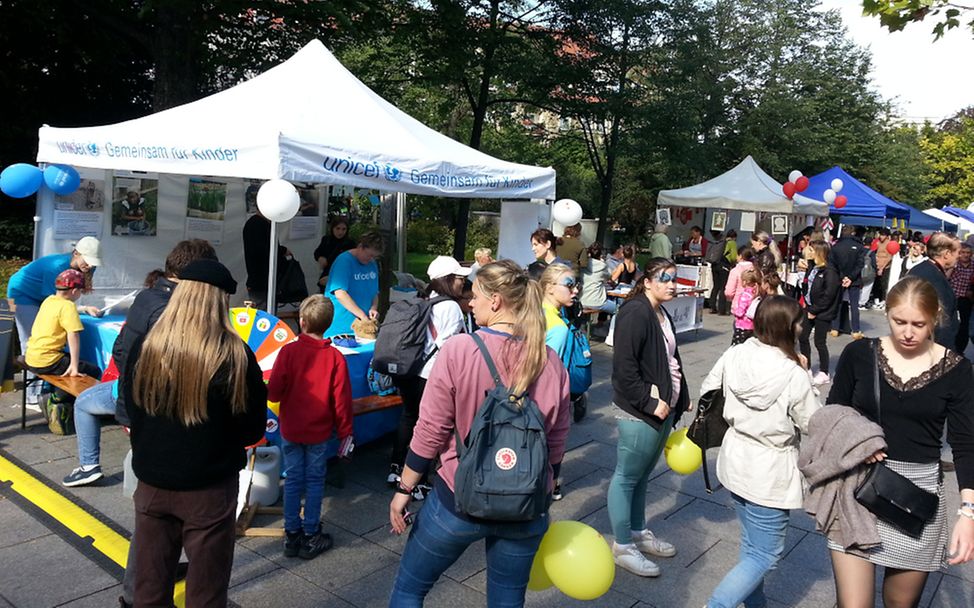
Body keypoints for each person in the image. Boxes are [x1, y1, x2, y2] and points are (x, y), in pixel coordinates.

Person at [387, 260, 571, 606]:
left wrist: (404, 488)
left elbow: (431, 430)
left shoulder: (459, 350)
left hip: (458, 499)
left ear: (497, 301)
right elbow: (557, 438)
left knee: (410, 589)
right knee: (507, 600)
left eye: (477, 295)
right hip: (527, 503)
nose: (471, 302)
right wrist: (552, 480)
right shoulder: (549, 360)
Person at [825, 276, 974, 607]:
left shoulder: (959, 371)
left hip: (915, 498)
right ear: (887, 314)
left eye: (918, 324)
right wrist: (859, 441)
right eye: (898, 321)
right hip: (857, 490)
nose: (908, 332)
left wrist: (969, 513)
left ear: (935, 318)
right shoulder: (859, 353)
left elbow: (966, 444)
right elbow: (833, 414)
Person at [126, 259, 266, 607]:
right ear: (220, 302)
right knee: (206, 592)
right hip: (209, 490)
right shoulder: (235, 355)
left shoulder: (146, 345)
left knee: (148, 587)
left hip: (152, 484)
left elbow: (131, 407)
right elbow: (252, 428)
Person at [110, 239, 219, 605]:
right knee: (154, 518)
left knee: (152, 515)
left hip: (140, 417)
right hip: (160, 424)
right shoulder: (168, 311)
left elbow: (122, 352)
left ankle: (150, 577)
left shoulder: (148, 296)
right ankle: (138, 588)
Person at [63, 241, 218, 491]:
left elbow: (120, 350)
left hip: (131, 396)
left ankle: (88, 466)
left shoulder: (146, 298)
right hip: (160, 408)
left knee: (84, 403)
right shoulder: (182, 311)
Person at [701, 296, 820, 608]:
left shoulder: (735, 353)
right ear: (789, 327)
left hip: (735, 458)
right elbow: (812, 423)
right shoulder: (792, 373)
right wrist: (807, 379)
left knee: (752, 546)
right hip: (770, 470)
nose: (802, 326)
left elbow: (709, 391)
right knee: (765, 555)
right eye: (799, 321)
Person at [608, 257, 688, 577]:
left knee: (641, 476)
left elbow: (669, 358)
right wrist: (647, 402)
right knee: (627, 475)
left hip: (662, 408)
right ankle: (622, 545)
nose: (671, 284)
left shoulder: (659, 310)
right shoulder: (636, 312)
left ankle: (638, 533)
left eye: (674, 279)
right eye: (665, 278)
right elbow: (623, 369)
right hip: (639, 411)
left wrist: (681, 398)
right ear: (647, 281)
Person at [267, 294, 353, 560]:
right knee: (315, 480)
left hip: (291, 428)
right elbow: (342, 400)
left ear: (301, 322)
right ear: (328, 323)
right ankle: (311, 532)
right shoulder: (335, 357)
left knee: (293, 479)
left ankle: (291, 533)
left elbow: (274, 393)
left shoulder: (288, 352)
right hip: (318, 431)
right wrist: (346, 431)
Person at [387, 256, 470, 496]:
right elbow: (449, 347)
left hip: (410, 369)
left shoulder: (425, 299)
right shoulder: (452, 307)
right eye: (459, 279)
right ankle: (419, 481)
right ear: (448, 280)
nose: (462, 284)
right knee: (430, 427)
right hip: (431, 374)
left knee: (408, 417)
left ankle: (395, 468)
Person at [6, 236, 102, 405]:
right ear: (76, 253)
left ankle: (47, 387)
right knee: (30, 340)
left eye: (94, 263)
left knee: (50, 339)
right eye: (87, 261)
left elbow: (64, 302)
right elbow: (58, 303)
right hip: (23, 293)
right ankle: (32, 397)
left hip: (47, 297)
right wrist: (80, 309)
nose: (90, 266)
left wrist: (84, 308)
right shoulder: (57, 267)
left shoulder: (88, 268)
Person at [24, 269, 102, 397]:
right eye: (81, 291)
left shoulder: (49, 300)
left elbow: (62, 310)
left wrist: (85, 308)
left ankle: (55, 396)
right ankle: (61, 402)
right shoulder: (68, 306)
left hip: (32, 357)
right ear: (74, 291)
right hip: (47, 361)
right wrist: (74, 366)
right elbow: (73, 336)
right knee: (93, 370)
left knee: (70, 361)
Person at [540, 263, 578, 501]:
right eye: (569, 285)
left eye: (576, 285)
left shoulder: (536, 311)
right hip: (548, 397)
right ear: (549, 287)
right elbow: (547, 373)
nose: (575, 290)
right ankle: (548, 485)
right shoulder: (557, 327)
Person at [324, 231, 383, 337]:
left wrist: (374, 308)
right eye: (369, 255)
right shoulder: (344, 261)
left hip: (362, 327)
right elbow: (340, 293)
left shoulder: (372, 264)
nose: (371, 259)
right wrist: (362, 316)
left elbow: (374, 292)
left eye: (374, 257)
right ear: (360, 247)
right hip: (341, 325)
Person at [908, 232, 961, 349]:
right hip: (932, 348)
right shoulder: (935, 279)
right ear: (947, 254)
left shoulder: (920, 269)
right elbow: (941, 323)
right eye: (958, 252)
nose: (959, 256)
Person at [799, 241, 841, 386]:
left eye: (811, 249)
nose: (808, 251)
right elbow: (807, 284)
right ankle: (807, 367)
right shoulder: (813, 267)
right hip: (809, 307)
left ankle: (824, 371)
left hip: (823, 312)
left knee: (819, 342)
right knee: (803, 336)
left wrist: (814, 310)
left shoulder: (830, 272)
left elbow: (829, 295)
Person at [242, 209, 288, 309]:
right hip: (261, 280)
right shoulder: (256, 224)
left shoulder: (261, 223)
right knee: (261, 316)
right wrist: (282, 251)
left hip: (266, 280)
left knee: (265, 314)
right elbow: (262, 249)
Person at [828, 225, 867, 340]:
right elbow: (860, 264)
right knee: (854, 305)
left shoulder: (835, 247)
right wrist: (850, 277)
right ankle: (855, 330)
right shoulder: (860, 247)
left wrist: (842, 277)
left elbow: (832, 264)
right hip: (854, 279)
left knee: (838, 303)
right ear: (853, 233)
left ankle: (835, 328)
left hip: (839, 278)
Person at [312, 217, 355, 288]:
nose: (340, 232)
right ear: (332, 228)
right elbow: (317, 252)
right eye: (337, 228)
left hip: (343, 276)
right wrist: (320, 258)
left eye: (344, 229)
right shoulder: (326, 240)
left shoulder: (350, 243)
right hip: (327, 273)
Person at [949, 243, 974, 355]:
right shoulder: (954, 264)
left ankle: (960, 350)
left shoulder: (973, 266)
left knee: (964, 326)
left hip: (966, 300)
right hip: (953, 298)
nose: (965, 255)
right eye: (963, 252)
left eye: (968, 253)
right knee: (950, 324)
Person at [580, 242, 617, 315]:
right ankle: (611, 326)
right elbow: (609, 277)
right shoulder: (602, 266)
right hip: (597, 301)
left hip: (582, 300)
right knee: (619, 310)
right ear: (600, 255)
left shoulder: (583, 265)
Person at [708, 229, 736, 315]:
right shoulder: (732, 243)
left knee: (716, 286)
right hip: (724, 266)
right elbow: (733, 257)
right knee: (723, 287)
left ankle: (712, 307)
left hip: (715, 264)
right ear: (734, 237)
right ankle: (721, 309)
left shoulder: (719, 241)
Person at [730, 269, 761, 346]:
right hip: (752, 325)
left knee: (737, 347)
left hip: (742, 325)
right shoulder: (755, 293)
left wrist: (735, 311)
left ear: (744, 282)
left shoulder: (745, 295)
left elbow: (740, 312)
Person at [869, 228, 893, 309]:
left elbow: (889, 257)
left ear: (886, 236)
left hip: (885, 266)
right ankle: (876, 299)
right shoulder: (878, 242)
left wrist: (882, 268)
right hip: (877, 265)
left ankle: (883, 300)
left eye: (883, 235)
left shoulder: (889, 244)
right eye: (880, 234)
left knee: (883, 284)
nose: (881, 236)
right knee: (876, 283)